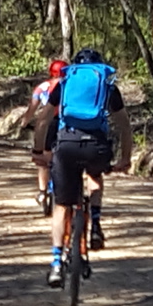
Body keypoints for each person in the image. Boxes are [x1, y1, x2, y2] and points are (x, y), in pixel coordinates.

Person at [45, 46, 122, 285]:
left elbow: (43, 121)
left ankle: (56, 263)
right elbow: (124, 126)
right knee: (95, 175)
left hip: (66, 146)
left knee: (61, 207)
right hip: (96, 147)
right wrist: (126, 158)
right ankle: (96, 222)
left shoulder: (64, 84)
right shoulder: (107, 86)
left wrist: (41, 152)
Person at [21, 56, 68, 210]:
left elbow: (32, 108)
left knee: (43, 159)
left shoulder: (42, 87)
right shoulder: (70, 85)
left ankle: (42, 192)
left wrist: (24, 124)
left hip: (49, 124)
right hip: (67, 125)